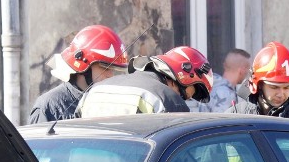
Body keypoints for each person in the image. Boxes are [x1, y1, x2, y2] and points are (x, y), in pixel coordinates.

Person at [29, 25, 128, 123]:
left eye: (113, 69)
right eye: (105, 68)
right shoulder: (48, 109)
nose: (110, 75)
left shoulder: (112, 105)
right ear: (83, 66)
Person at [78, 46, 213, 117]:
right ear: (175, 79)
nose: (181, 101)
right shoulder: (166, 100)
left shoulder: (94, 89)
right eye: (183, 95)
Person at [227, 41, 289, 121]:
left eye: (286, 87)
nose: (281, 94)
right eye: (274, 87)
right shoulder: (235, 117)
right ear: (259, 86)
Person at [196, 48, 250, 113]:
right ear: (242, 70)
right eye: (248, 69)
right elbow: (223, 122)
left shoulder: (212, 87)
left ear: (224, 65)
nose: (248, 73)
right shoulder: (225, 94)